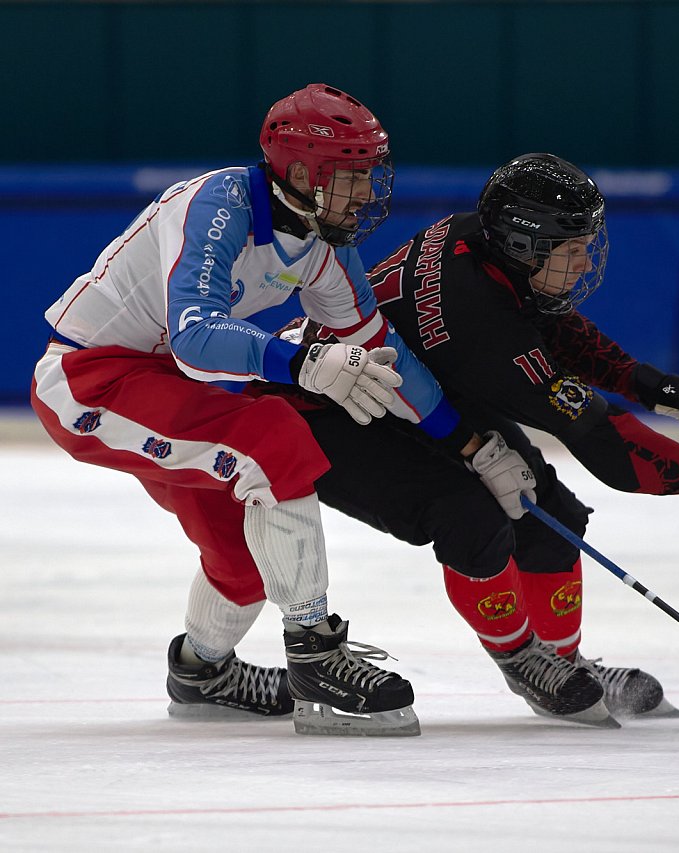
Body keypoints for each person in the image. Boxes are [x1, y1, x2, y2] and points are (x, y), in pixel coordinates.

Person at [30, 84, 534, 737]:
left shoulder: (325, 241)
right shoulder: (216, 208)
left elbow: (378, 347)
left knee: (242, 556)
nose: (365, 194)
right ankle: (315, 652)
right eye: (351, 177)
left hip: (170, 382)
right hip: (90, 377)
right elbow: (193, 333)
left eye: (369, 176)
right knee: (273, 436)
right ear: (300, 173)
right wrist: (300, 362)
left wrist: (470, 444)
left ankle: (201, 670)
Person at [260, 153, 679, 728]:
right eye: (572, 250)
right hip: (328, 413)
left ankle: (564, 662)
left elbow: (549, 322)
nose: (585, 261)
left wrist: (650, 384)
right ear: (525, 246)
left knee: (551, 515)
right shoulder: (479, 324)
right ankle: (521, 658)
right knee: (470, 518)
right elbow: (603, 443)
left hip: (413, 393)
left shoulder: (480, 245)